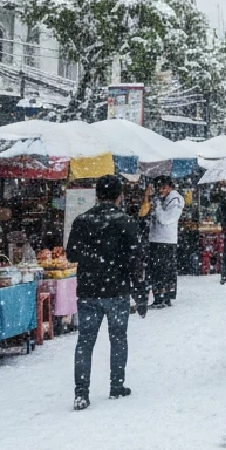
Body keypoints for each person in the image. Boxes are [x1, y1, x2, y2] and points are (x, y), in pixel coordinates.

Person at [66, 175, 146, 410]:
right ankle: (116, 385)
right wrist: (139, 291)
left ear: (97, 195)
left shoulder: (82, 220)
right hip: (117, 289)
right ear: (119, 196)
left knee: (84, 342)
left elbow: (71, 254)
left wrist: (93, 258)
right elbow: (136, 259)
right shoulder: (126, 222)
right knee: (118, 338)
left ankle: (81, 392)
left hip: (89, 290)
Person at [146, 176, 184, 308]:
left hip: (165, 240)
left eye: (163, 187)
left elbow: (166, 219)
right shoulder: (162, 199)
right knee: (159, 270)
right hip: (157, 238)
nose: (160, 190)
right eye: (158, 187)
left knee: (162, 270)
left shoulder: (175, 199)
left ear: (170, 186)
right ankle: (162, 297)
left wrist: (157, 206)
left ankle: (163, 298)